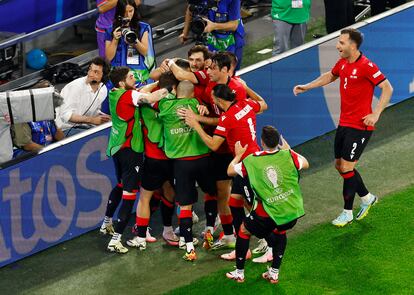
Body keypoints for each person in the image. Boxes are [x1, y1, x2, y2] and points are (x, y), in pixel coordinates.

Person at [293, 28, 393, 227]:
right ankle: (367, 197)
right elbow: (330, 76)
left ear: (353, 45)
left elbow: (387, 88)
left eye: (341, 42)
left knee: (347, 167)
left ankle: (347, 212)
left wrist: (376, 114)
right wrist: (307, 86)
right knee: (340, 166)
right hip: (344, 123)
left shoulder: (367, 66)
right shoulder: (343, 63)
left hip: (360, 126)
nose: (337, 46)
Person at [183, 84, 267, 260]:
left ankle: (269, 241)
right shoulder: (246, 104)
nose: (212, 101)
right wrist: (247, 87)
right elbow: (263, 103)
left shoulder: (227, 118)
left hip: (246, 166)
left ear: (220, 100)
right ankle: (241, 247)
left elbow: (213, 144)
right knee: (235, 202)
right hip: (250, 161)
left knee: (253, 205)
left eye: (213, 98)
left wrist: (195, 124)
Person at [225, 126, 309, 283]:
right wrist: (288, 149)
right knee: (280, 232)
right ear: (278, 142)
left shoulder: (251, 160)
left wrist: (238, 156)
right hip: (291, 212)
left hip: (267, 214)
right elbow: (305, 163)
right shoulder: (289, 155)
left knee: (244, 231)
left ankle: (239, 273)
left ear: (261, 142)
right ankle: (274, 273)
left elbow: (230, 171)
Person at [103, 66, 167, 253]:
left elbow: (139, 92)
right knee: (130, 196)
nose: (135, 78)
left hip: (117, 147)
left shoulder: (115, 93)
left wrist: (156, 83)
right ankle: (116, 239)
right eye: (131, 77)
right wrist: (168, 88)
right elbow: (151, 98)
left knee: (121, 185)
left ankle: (106, 222)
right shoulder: (129, 96)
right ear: (122, 82)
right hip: (131, 151)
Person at [155, 80, 216, 261]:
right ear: (192, 94)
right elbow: (201, 107)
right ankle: (209, 230)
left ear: (175, 91)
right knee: (211, 193)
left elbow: (154, 100)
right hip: (203, 159)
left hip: (182, 164)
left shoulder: (165, 106)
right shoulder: (195, 104)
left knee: (185, 205)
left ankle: (189, 247)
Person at [179, 0, 245, 70]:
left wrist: (214, 26)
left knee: (230, 70)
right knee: (208, 68)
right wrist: (185, 33)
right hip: (210, 38)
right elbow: (190, 9)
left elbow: (234, 25)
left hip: (231, 39)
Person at [105, 0, 155, 88]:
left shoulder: (143, 27)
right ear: (119, 12)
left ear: (135, 10)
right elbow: (109, 57)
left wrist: (135, 41)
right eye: (124, 12)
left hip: (138, 75)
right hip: (118, 75)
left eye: (131, 11)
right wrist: (115, 40)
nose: (128, 15)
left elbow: (144, 51)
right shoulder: (110, 30)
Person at [55, 57, 111, 136]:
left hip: (84, 125)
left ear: (104, 76)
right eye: (90, 69)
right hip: (65, 128)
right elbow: (66, 115)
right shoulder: (75, 87)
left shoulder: (103, 89)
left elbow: (94, 111)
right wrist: (92, 120)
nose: (90, 74)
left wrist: (103, 117)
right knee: (95, 138)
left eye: (96, 72)